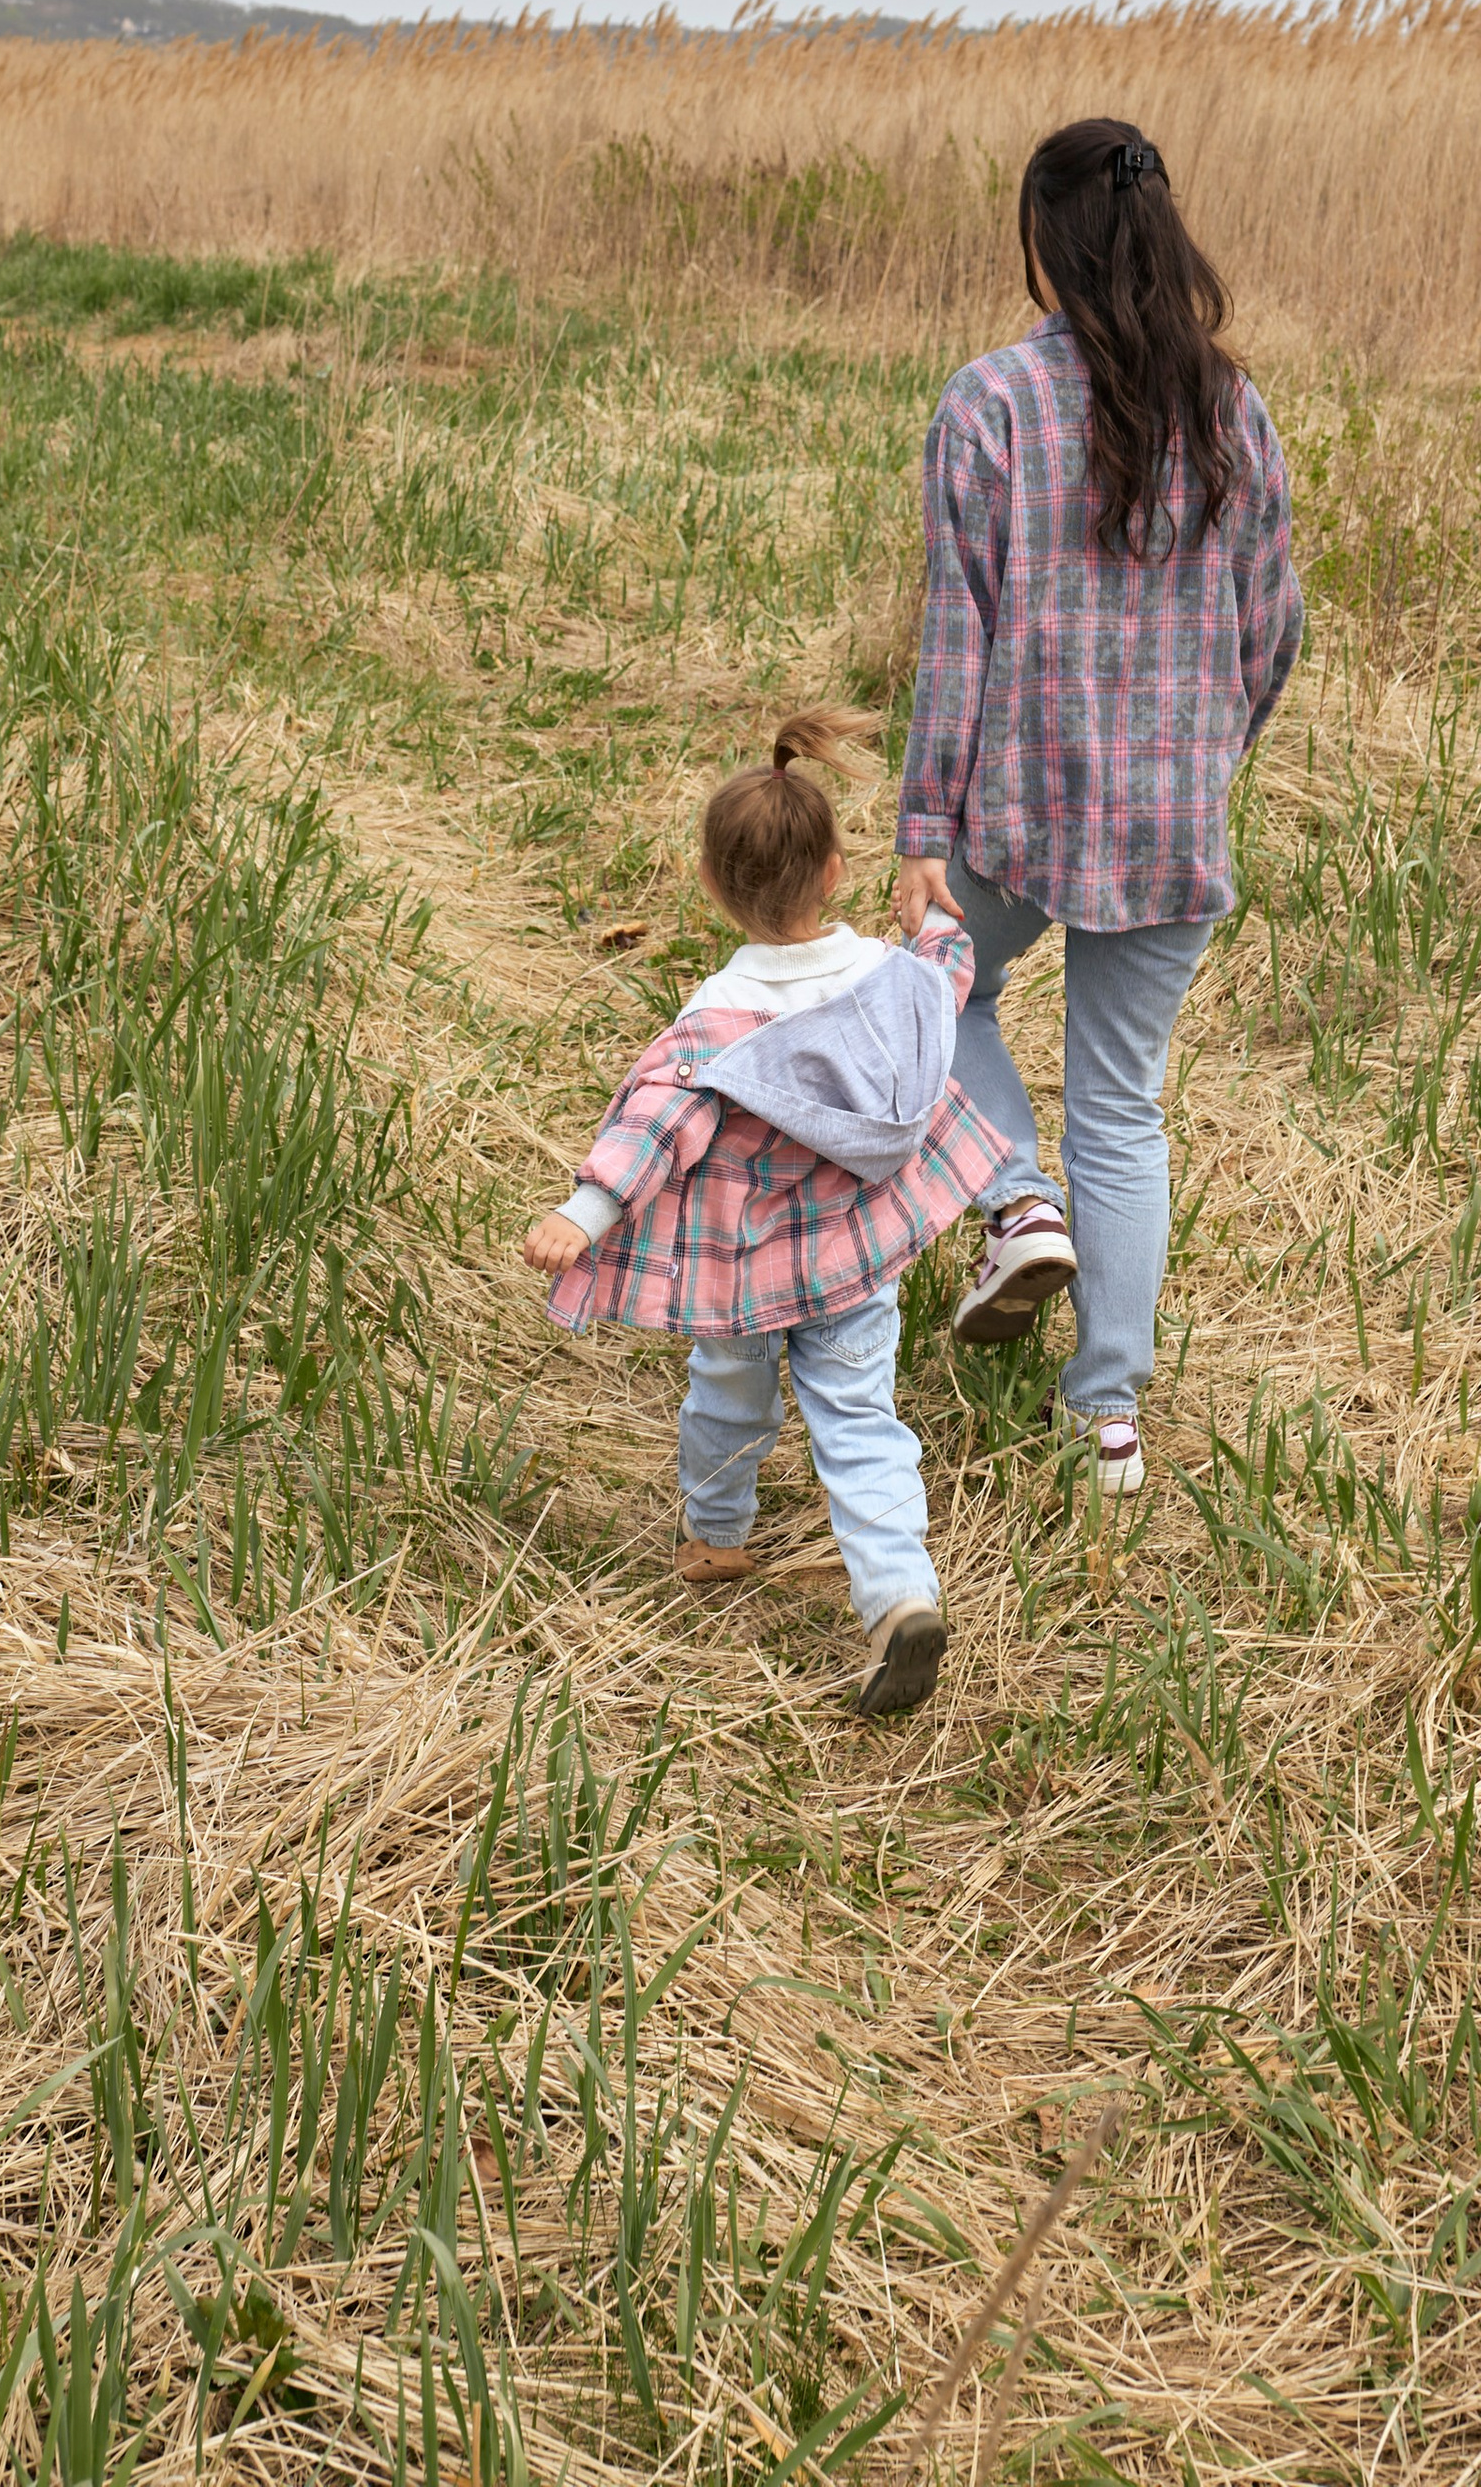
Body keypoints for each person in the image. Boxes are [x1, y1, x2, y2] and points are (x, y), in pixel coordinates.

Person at [891, 120, 1304, 1498]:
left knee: (930, 987)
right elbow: (1273, 636)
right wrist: (1203, 754)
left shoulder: (991, 403)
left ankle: (1014, 1199)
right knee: (1125, 1106)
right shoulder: (1233, 410)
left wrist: (917, 839)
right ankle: (1108, 1420)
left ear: (1045, 241)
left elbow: (959, 640)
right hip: (1171, 815)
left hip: (1021, 802)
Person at [522, 712, 1007, 1718]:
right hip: (855, 1260)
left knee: (727, 1401)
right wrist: (936, 916)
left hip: (743, 1274)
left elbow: (655, 1120)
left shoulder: (717, 1022)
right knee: (862, 1423)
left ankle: (717, 1537)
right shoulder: (896, 980)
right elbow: (948, 976)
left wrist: (586, 1208)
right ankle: (899, 1595)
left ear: (709, 886)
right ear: (835, 871)